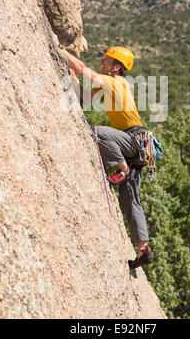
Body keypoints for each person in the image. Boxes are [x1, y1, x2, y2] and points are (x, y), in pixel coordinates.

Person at [53, 34, 153, 269]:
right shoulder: (111, 86)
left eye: (106, 60)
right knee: (130, 199)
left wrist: (58, 48)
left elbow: (81, 68)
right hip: (138, 145)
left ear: (116, 67)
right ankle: (143, 248)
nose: (102, 62)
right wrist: (70, 75)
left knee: (98, 131)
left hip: (133, 140)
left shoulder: (116, 82)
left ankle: (122, 166)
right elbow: (85, 99)